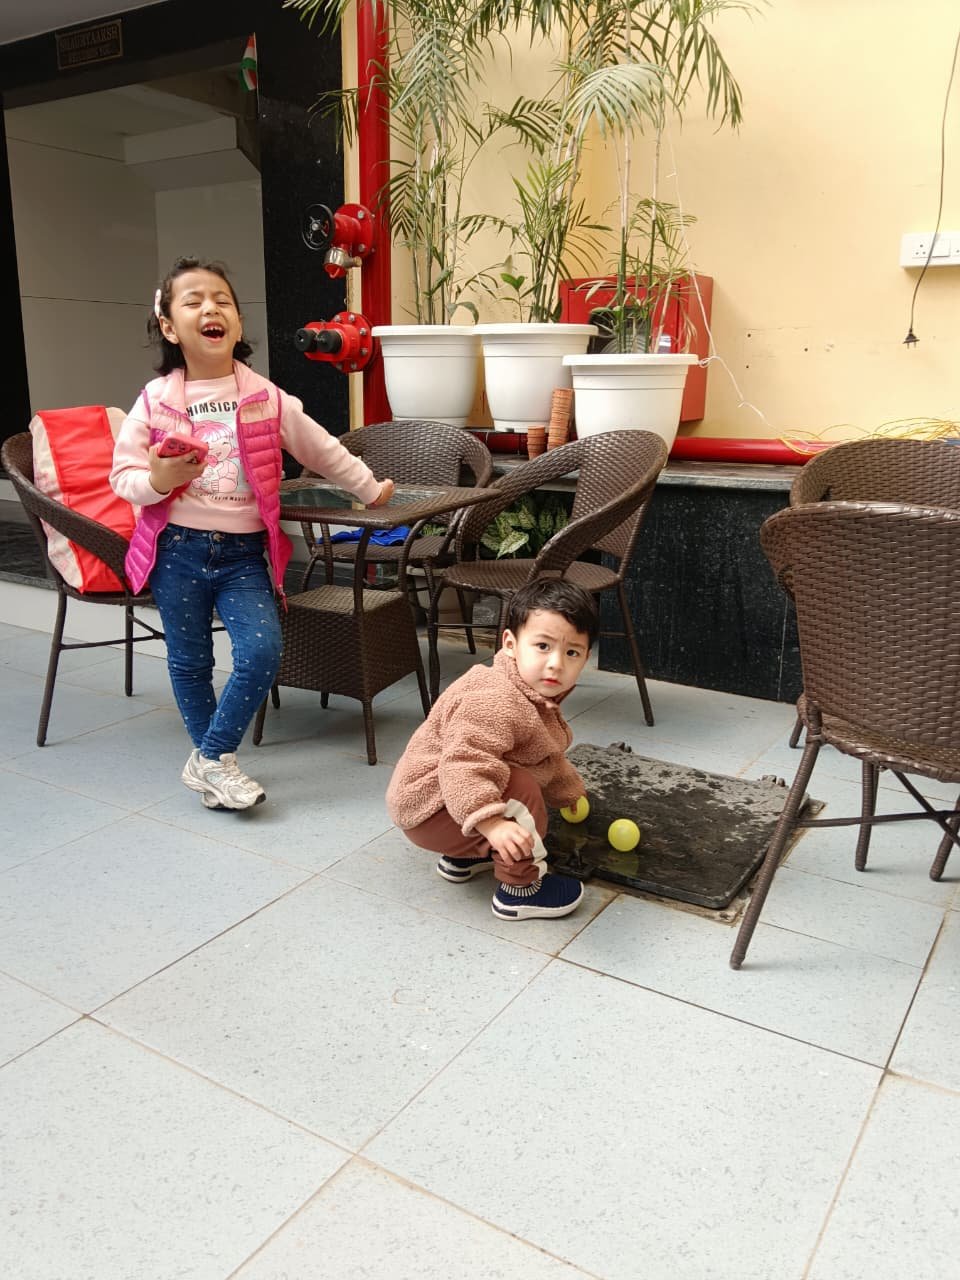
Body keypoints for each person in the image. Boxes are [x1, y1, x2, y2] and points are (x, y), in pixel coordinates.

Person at [110, 256, 395, 812]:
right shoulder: (154, 400)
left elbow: (321, 448)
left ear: (238, 323)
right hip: (176, 550)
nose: (210, 309)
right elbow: (124, 480)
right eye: (193, 301)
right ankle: (217, 768)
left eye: (222, 300)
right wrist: (160, 479)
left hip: (243, 555)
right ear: (169, 326)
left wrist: (368, 487)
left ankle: (209, 757)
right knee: (190, 661)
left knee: (262, 650)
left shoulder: (265, 395)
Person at [386, 578, 597, 920]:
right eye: (543, 646)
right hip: (430, 808)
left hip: (440, 805)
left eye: (571, 652)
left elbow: (542, 752)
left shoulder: (529, 692)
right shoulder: (494, 699)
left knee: (511, 771)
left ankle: (462, 858)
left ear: (585, 658)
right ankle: (521, 888)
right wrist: (491, 823)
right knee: (521, 788)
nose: (556, 663)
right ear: (510, 644)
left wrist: (568, 792)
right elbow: (463, 764)